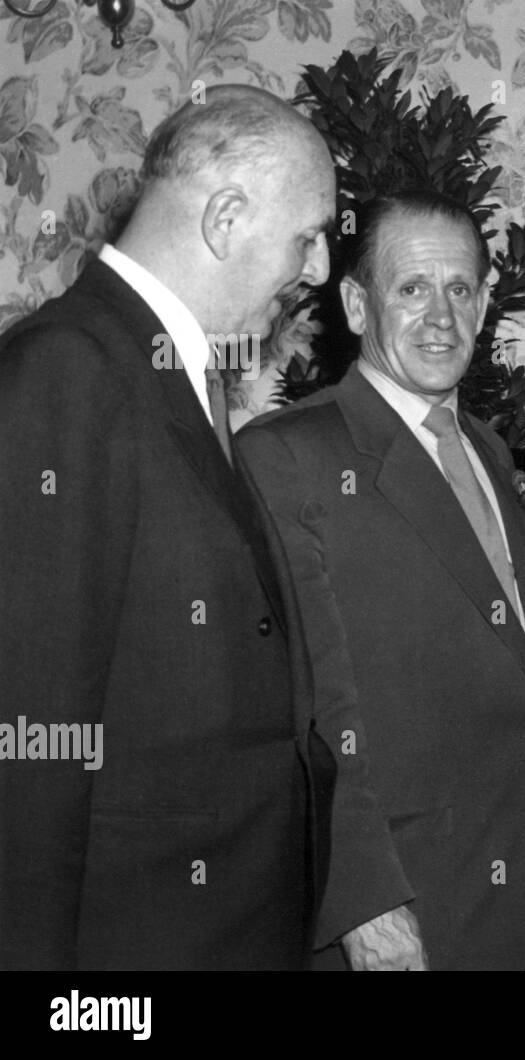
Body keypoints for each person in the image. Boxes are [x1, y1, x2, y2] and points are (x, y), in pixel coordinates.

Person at [236, 190, 525, 971]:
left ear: (485, 304)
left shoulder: (487, 449)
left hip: (521, 903)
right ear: (355, 304)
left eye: (459, 290)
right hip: (402, 912)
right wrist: (364, 899)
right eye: (411, 289)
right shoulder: (288, 456)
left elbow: (497, 627)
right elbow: (307, 705)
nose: (440, 316)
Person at [0, 86, 338, 969]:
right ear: (227, 218)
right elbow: (30, 737)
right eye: (308, 235)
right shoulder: (68, 370)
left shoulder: (173, 367)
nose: (322, 269)